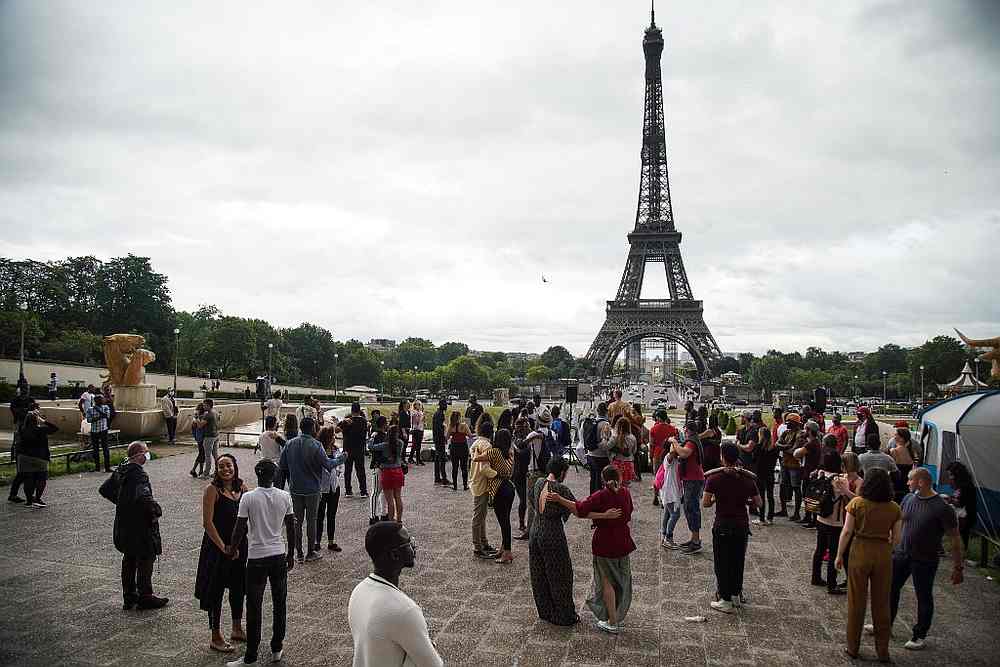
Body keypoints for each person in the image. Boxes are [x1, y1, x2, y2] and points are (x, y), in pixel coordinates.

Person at [881, 467, 964, 651]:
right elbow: (900, 520)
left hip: (925, 559)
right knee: (890, 589)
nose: (907, 482)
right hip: (902, 554)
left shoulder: (942, 508)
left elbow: (955, 538)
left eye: (910, 479)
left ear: (921, 482)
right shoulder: (909, 498)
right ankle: (886, 624)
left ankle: (919, 634)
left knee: (923, 596)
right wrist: (891, 539)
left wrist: (958, 567)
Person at [544, 465, 633, 633]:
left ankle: (612, 621)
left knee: (606, 581)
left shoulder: (601, 495)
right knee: (619, 579)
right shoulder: (625, 493)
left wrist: (559, 499)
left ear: (603, 479)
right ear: (619, 478)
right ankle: (614, 614)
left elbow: (580, 509)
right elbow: (628, 513)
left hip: (605, 541)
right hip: (624, 540)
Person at [226, 459, 294, 667]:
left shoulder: (248, 498)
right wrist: (291, 553)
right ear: (274, 476)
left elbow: (239, 528)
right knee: (279, 602)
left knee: (254, 606)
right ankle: (276, 648)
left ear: (257, 475)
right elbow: (291, 527)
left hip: (256, 557)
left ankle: (251, 655)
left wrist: (232, 549)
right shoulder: (285, 496)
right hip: (278, 555)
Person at [348, 522, 443, 667]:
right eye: (408, 543)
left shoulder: (358, 591)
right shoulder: (405, 611)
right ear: (394, 555)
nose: (413, 546)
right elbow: (433, 664)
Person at [835, 469, 902, 662]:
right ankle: (883, 650)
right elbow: (897, 539)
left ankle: (853, 647)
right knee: (882, 602)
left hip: (860, 550)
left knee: (856, 601)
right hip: (883, 554)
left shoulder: (857, 504)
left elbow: (847, 532)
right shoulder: (894, 508)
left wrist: (839, 555)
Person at [195, 454, 248, 653]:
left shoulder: (242, 488)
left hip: (239, 547)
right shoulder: (212, 490)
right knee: (215, 591)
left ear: (235, 466)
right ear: (217, 470)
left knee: (238, 588)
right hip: (217, 548)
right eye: (221, 466)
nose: (226, 469)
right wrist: (224, 547)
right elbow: (207, 523)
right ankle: (215, 636)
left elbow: (249, 516)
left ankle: (237, 628)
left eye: (229, 465)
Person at [703, 444, 761, 613]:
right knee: (738, 561)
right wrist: (745, 500)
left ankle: (725, 599)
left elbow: (705, 503)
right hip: (741, 525)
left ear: (723, 457)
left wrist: (716, 499)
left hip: (722, 525)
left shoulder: (714, 478)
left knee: (722, 563)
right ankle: (736, 594)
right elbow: (758, 502)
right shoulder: (747, 478)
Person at [279, 417, 344, 563]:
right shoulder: (316, 445)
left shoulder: (289, 444)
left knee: (297, 521)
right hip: (313, 489)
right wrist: (341, 459)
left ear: (301, 428)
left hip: (295, 488)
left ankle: (298, 553)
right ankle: (310, 552)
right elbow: (328, 464)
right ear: (314, 428)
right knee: (311, 520)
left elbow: (282, 465)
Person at [112, 442, 169, 610]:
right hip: (140, 526)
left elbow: (106, 490)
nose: (147, 455)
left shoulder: (121, 470)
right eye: (145, 452)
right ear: (138, 455)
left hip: (124, 523)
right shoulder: (138, 474)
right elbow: (144, 498)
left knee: (129, 558)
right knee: (146, 557)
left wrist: (124, 505)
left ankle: (129, 596)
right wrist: (156, 510)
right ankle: (145, 596)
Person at [528, 458, 579, 626]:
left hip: (536, 529)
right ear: (562, 472)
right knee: (560, 573)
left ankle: (545, 610)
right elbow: (577, 509)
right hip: (552, 532)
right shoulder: (561, 489)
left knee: (539, 572)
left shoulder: (538, 482)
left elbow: (532, 501)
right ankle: (564, 614)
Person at [474, 427, 516, 564]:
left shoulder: (494, 452)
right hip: (509, 487)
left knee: (503, 522)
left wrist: (476, 449)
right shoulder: (510, 453)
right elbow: (510, 471)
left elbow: (476, 459)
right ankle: (504, 549)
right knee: (506, 520)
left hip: (499, 489)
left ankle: (507, 553)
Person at [811, 450, 849, 594]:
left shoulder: (820, 474)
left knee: (819, 549)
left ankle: (815, 577)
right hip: (835, 521)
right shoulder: (840, 480)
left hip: (821, 517)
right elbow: (848, 497)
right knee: (834, 552)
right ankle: (832, 584)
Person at [670, 421, 706, 554]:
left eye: (684, 430)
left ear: (688, 430)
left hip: (693, 479)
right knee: (689, 507)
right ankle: (694, 538)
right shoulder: (694, 439)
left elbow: (684, 453)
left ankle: (696, 541)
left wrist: (674, 442)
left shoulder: (691, 442)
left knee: (691, 508)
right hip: (691, 478)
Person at [469, 418, 499, 559]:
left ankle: (483, 543)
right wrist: (498, 474)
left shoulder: (476, 443)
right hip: (482, 483)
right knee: (479, 516)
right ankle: (477, 547)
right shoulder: (486, 446)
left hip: (475, 481)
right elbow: (484, 468)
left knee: (481, 515)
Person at [16, 409, 58, 507]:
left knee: (28, 479)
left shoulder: (22, 430)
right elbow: (55, 428)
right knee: (41, 479)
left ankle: (29, 500)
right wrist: (43, 420)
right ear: (36, 420)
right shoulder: (41, 430)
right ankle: (38, 498)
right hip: (40, 457)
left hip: (24, 457)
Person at [316, 425, 344, 552]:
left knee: (331, 515)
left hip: (334, 486)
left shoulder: (336, 449)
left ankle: (331, 541)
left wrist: (338, 471)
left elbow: (340, 466)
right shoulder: (318, 451)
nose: (334, 438)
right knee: (319, 515)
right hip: (322, 488)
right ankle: (317, 541)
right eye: (332, 436)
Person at [370, 425, 406, 523]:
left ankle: (390, 521)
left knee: (389, 500)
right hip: (398, 471)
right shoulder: (401, 443)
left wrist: (372, 437)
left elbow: (371, 447)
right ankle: (399, 520)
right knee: (398, 497)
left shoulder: (384, 445)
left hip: (387, 472)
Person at [655, 434, 683, 549]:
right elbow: (672, 454)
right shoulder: (668, 457)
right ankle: (668, 538)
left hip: (670, 490)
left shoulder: (675, 458)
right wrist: (673, 442)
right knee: (675, 514)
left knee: (667, 514)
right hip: (669, 491)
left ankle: (664, 536)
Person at [750, 411, 777, 525]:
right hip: (770, 472)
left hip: (760, 473)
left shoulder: (758, 447)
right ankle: (770, 517)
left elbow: (754, 459)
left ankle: (761, 518)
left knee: (761, 496)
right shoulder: (774, 448)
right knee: (770, 496)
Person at [794, 420, 823, 528]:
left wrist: (798, 447)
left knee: (810, 496)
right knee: (808, 495)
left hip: (810, 472)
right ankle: (808, 516)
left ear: (809, 431)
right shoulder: (814, 442)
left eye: (806, 429)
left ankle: (812, 519)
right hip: (809, 471)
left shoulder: (812, 443)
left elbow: (797, 453)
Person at [7, 387, 32, 504]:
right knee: (22, 473)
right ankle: (14, 495)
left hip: (26, 452)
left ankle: (23, 496)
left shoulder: (29, 400)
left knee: (25, 474)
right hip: (22, 453)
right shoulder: (20, 429)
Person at [946, 461, 977, 553]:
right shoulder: (961, 485)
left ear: (957, 474)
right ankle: (959, 550)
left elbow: (961, 503)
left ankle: (961, 551)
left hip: (966, 517)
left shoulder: (966, 486)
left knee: (961, 533)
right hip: (962, 515)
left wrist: (950, 500)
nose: (949, 477)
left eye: (950, 475)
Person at [776, 414, 803, 520]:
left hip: (794, 465)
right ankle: (783, 510)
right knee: (782, 486)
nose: (786, 423)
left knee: (796, 488)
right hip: (785, 463)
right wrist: (786, 447)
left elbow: (793, 451)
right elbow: (777, 444)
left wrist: (783, 448)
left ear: (795, 423)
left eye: (789, 422)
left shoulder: (800, 434)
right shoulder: (786, 432)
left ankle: (797, 513)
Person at [649, 410, 678, 507]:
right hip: (669, 454)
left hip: (657, 453)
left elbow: (651, 444)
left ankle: (655, 497)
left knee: (657, 476)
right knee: (667, 476)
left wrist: (651, 455)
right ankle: (664, 499)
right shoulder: (672, 429)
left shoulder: (653, 429)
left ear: (659, 418)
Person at [339, 403, 369, 498]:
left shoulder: (347, 421)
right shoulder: (364, 421)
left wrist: (342, 421)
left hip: (347, 449)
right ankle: (363, 491)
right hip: (359, 449)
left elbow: (336, 430)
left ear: (351, 410)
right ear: (359, 410)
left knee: (347, 470)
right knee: (360, 470)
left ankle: (348, 491)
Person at [584, 402, 612, 495]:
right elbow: (605, 443)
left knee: (593, 479)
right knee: (600, 481)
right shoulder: (605, 424)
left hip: (590, 454)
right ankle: (599, 500)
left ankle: (592, 497)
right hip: (601, 456)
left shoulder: (592, 422)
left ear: (597, 411)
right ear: (606, 412)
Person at [512, 416, 533, 539]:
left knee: (527, 500)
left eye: (527, 427)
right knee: (523, 500)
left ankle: (524, 523)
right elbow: (520, 450)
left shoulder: (527, 437)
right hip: (518, 473)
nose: (526, 429)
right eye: (524, 427)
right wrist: (531, 437)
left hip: (526, 472)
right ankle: (521, 523)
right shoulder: (516, 439)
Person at [85, 394, 113, 473]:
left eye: (102, 399)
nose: (102, 400)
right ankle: (97, 467)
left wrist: (96, 417)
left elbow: (107, 416)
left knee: (106, 449)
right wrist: (101, 416)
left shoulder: (106, 407)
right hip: (94, 431)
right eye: (100, 399)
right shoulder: (90, 409)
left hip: (103, 430)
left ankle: (107, 467)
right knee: (95, 450)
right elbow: (88, 420)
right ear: (96, 401)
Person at [889, 428, 917, 503]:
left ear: (901, 438)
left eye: (896, 435)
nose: (894, 437)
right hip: (906, 484)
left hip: (896, 485)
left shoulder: (894, 451)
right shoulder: (910, 451)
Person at [446, 410, 472, 491]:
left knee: (455, 467)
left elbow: (447, 437)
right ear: (459, 417)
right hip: (463, 447)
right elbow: (470, 435)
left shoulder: (451, 426)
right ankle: (465, 485)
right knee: (464, 467)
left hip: (454, 447)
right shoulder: (464, 425)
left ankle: (455, 485)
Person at [608, 417, 637, 487]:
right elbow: (634, 451)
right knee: (625, 486)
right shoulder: (632, 437)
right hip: (628, 464)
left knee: (616, 485)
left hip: (617, 463)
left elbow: (607, 447)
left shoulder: (615, 437)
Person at [200, 399, 220, 478]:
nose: (203, 406)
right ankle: (217, 472)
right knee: (216, 455)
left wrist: (196, 419)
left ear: (208, 405)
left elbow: (200, 425)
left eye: (204, 405)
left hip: (209, 436)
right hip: (216, 435)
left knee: (207, 455)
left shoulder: (208, 414)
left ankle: (206, 473)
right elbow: (218, 419)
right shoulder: (215, 412)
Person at [431, 399, 450, 486]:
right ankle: (443, 478)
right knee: (442, 459)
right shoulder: (440, 414)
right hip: (439, 439)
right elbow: (439, 428)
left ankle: (437, 477)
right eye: (445, 404)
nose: (446, 406)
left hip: (437, 438)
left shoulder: (437, 413)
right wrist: (444, 437)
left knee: (437, 458)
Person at [190, 402, 207, 478]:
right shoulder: (200, 416)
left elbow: (193, 427)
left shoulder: (196, 416)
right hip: (201, 437)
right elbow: (198, 426)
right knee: (202, 454)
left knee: (201, 454)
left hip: (198, 436)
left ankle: (199, 470)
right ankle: (195, 470)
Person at [408, 400, 425, 465]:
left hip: (420, 429)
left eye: (420, 404)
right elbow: (416, 421)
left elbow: (421, 421)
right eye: (418, 404)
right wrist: (421, 417)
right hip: (416, 429)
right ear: (415, 405)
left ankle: (412, 458)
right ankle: (417, 459)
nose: (419, 406)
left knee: (417, 444)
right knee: (416, 444)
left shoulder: (420, 412)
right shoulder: (414, 412)